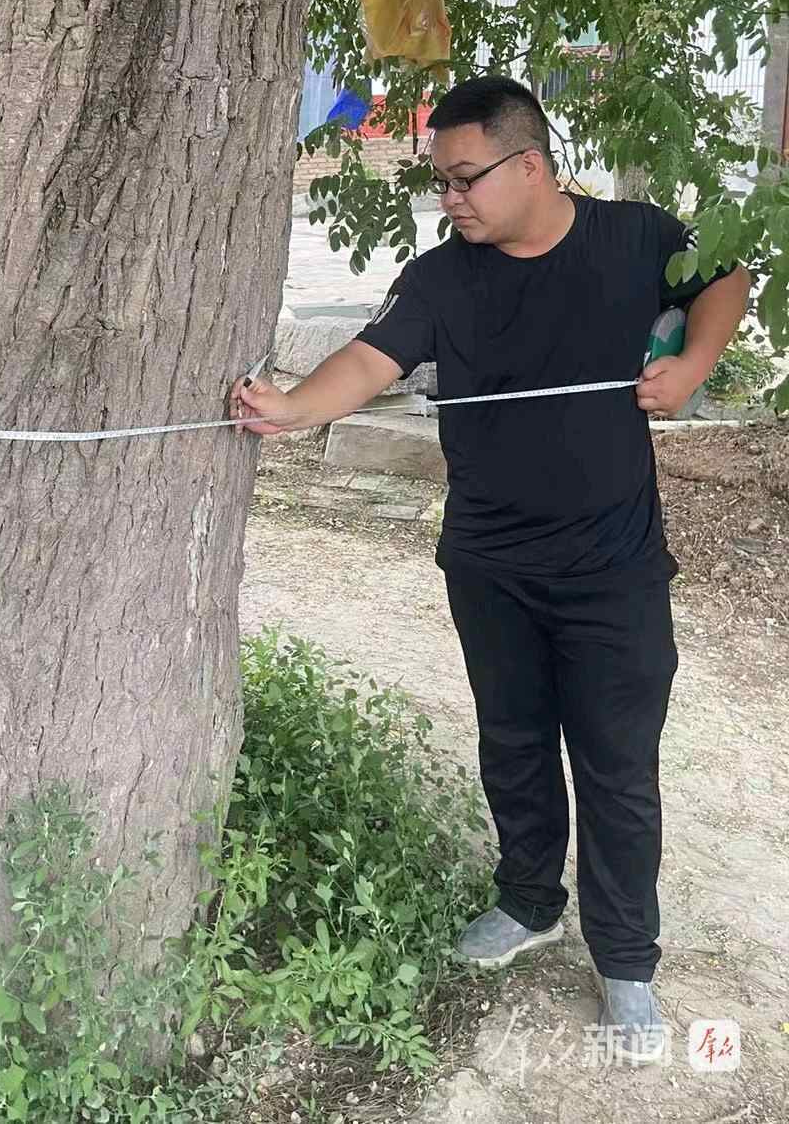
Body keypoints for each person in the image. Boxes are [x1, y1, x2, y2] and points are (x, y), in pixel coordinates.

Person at [232, 76, 750, 1066]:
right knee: (512, 740)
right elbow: (372, 356)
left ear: (529, 164)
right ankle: (525, 902)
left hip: (613, 570)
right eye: (441, 181)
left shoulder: (634, 234)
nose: (450, 198)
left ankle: (626, 957)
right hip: (489, 560)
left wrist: (690, 363)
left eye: (464, 178)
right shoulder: (441, 279)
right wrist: (294, 408)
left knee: (613, 763)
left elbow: (724, 275)